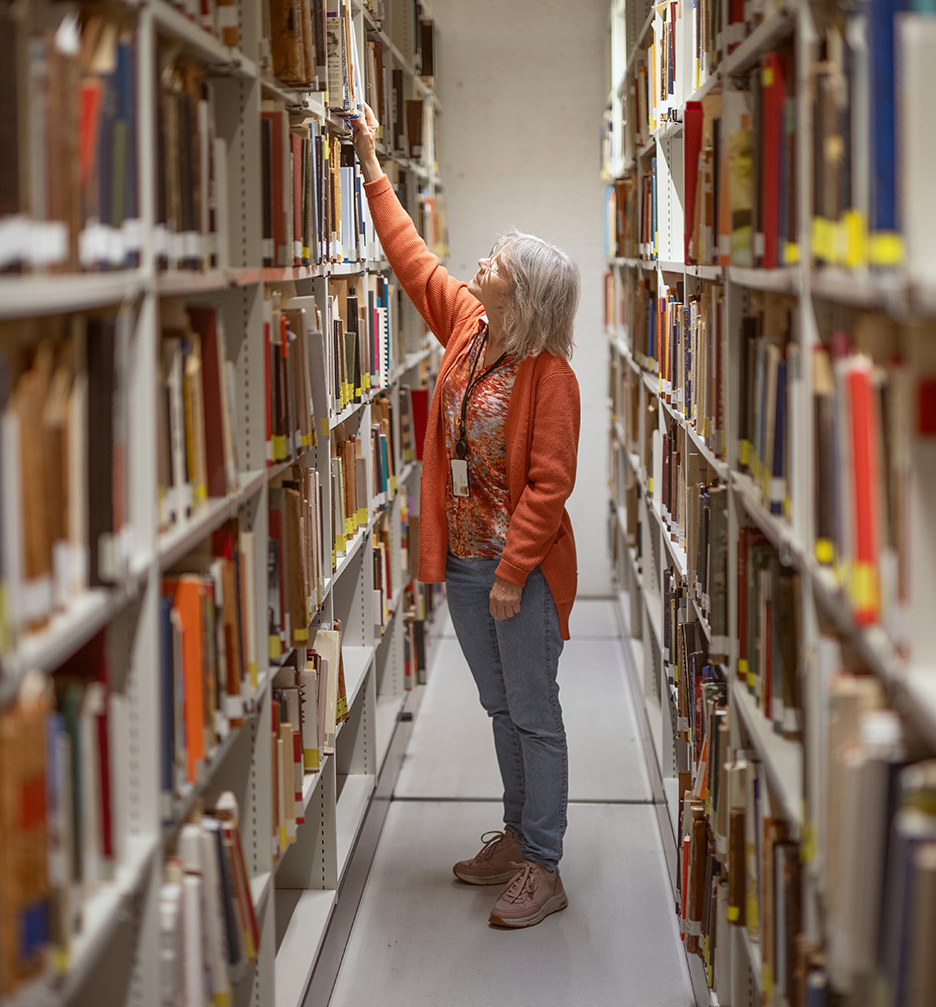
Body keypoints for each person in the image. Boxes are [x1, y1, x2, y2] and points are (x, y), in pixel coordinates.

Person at [352, 105, 582, 929]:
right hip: (465, 564)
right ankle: (519, 835)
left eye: (495, 262)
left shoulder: (551, 377)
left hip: (517, 574)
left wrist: (514, 575)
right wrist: (371, 164)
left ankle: (545, 864)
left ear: (522, 296)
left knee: (535, 711)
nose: (477, 262)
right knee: (498, 706)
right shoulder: (467, 329)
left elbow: (549, 487)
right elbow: (412, 258)